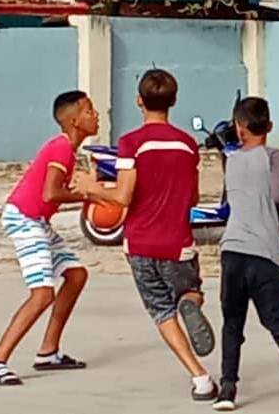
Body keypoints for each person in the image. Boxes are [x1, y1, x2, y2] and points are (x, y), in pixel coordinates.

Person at [73, 69, 217, 401]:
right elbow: (193, 198)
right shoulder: (186, 144)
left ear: (139, 101)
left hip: (140, 242)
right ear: (174, 101)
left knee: (160, 311)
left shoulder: (131, 143)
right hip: (177, 241)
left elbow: (123, 196)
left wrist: (91, 187)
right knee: (191, 291)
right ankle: (189, 304)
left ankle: (200, 378)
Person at [0, 91, 99, 386]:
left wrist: (87, 192)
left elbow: (54, 192)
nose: (95, 115)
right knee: (42, 293)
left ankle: (48, 352)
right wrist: (87, 194)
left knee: (76, 275)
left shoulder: (68, 150)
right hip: (24, 217)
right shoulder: (60, 148)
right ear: (73, 120)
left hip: (37, 220)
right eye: (89, 110)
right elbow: (50, 193)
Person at [213, 97, 279, 413]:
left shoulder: (231, 161)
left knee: (233, 323)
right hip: (265, 253)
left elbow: (246, 198)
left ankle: (227, 389)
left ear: (238, 128)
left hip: (232, 250)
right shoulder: (274, 156)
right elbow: (277, 193)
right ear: (269, 126)